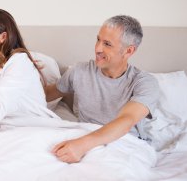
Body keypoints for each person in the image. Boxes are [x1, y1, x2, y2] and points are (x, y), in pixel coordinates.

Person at [46, 15, 159, 163]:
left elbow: (127, 120)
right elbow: (46, 94)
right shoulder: (79, 71)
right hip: (84, 139)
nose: (98, 48)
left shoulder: (145, 83)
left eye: (107, 44)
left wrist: (82, 145)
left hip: (125, 144)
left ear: (129, 51)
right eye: (98, 39)